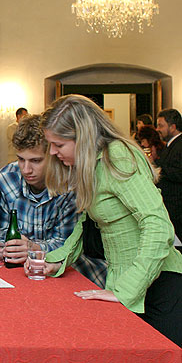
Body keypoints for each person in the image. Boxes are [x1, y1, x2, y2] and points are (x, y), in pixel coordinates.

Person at [40, 94, 182, 346]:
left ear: (82, 138)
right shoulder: (93, 165)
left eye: (59, 144)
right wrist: (59, 259)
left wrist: (126, 290)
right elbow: (87, 221)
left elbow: (158, 226)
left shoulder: (116, 156)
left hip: (158, 285)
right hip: (125, 281)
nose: (52, 152)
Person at [0, 114, 107, 287]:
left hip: (69, 273)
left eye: (36, 161)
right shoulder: (6, 179)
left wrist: (33, 248)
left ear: (53, 154)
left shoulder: (72, 184)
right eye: (21, 159)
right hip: (19, 275)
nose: (26, 169)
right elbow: (0, 232)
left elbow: (68, 245)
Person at [156, 108, 182, 249]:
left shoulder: (179, 145)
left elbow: (178, 173)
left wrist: (160, 169)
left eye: (161, 125)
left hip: (177, 207)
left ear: (172, 126)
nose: (157, 129)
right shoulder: (170, 145)